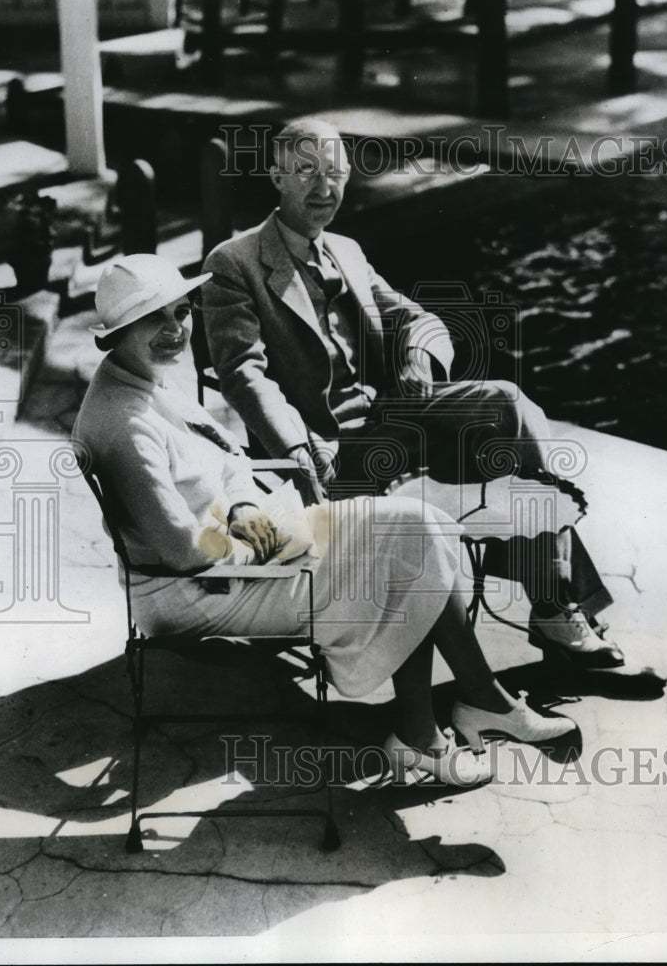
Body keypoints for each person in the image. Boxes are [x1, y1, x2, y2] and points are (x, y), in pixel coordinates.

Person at [72, 253, 579, 789]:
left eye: (180, 311)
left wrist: (247, 509)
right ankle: (447, 723)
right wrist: (265, 542)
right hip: (196, 593)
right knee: (406, 552)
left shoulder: (148, 374)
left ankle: (455, 717)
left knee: (422, 525)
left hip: (237, 549)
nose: (175, 330)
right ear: (116, 334)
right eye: (155, 319)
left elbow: (228, 469)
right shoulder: (123, 422)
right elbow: (181, 551)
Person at [200, 117, 665, 686]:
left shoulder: (346, 249)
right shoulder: (235, 261)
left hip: (392, 418)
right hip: (329, 446)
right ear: (276, 176)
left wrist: (418, 360)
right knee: (501, 447)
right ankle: (558, 610)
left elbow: (415, 319)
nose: (324, 189)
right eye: (306, 172)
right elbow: (242, 374)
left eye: (335, 174)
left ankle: (551, 606)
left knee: (505, 404)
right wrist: (299, 448)